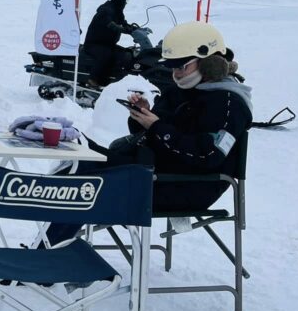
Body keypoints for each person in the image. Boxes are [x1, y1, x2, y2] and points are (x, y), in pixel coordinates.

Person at [45, 21, 253, 247]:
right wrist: (144, 116)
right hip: (154, 171)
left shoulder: (230, 105)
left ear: (210, 63)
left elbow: (207, 155)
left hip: (187, 185)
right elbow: (163, 133)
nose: (176, 73)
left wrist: (157, 127)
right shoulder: (184, 91)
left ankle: (48, 255)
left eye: (182, 66)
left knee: (86, 176)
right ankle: (48, 248)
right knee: (80, 157)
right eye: (173, 67)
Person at [84, 0, 135, 89]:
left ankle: (111, 80)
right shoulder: (105, 11)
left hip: (106, 44)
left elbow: (123, 22)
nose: (125, 5)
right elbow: (110, 24)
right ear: (119, 2)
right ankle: (93, 80)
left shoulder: (117, 11)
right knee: (105, 55)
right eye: (124, 2)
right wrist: (121, 29)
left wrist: (133, 29)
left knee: (124, 53)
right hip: (94, 44)